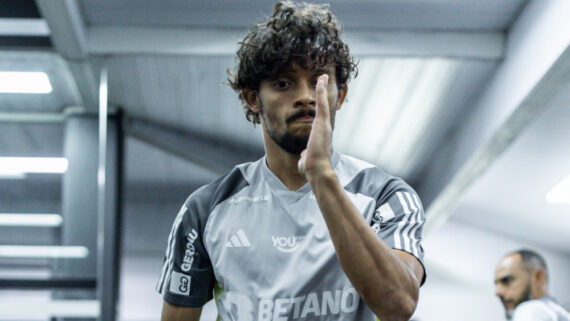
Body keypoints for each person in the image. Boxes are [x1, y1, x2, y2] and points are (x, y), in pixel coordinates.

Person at [156, 1, 426, 320]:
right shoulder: (206, 208)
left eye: (319, 81)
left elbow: (399, 305)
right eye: (283, 83)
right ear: (252, 98)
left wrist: (322, 176)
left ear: (339, 95)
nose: (306, 96)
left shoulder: (387, 196)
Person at [495, 249, 570, 321]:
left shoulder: (530, 310)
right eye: (496, 284)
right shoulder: (560, 313)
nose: (498, 292)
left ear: (538, 277)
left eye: (507, 280)